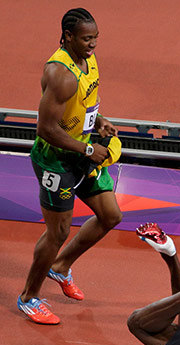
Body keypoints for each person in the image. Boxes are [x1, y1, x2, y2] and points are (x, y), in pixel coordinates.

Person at [17, 8, 122, 325]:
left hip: (83, 146)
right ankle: (28, 298)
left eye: (95, 38)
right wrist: (90, 149)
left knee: (110, 215)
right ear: (68, 37)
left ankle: (60, 267)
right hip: (56, 159)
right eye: (86, 38)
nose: (92, 44)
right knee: (58, 231)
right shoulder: (60, 75)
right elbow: (46, 129)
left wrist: (99, 120)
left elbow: (88, 95)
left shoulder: (87, 59)